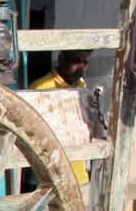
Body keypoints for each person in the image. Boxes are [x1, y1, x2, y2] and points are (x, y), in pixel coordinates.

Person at [31, 49, 93, 185]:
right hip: (52, 173)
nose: (81, 68)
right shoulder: (41, 88)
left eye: (85, 63)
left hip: (79, 171)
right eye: (77, 61)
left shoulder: (81, 85)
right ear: (61, 58)